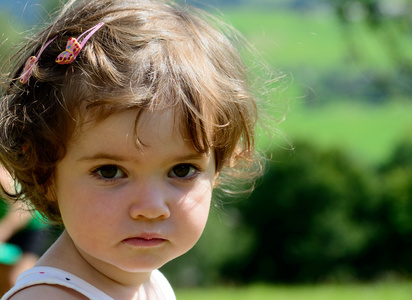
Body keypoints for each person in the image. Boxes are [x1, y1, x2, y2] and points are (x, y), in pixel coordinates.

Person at [0, 0, 267, 298]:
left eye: (182, 170)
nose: (151, 208)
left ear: (217, 167)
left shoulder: (153, 284)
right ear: (44, 172)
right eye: (110, 171)